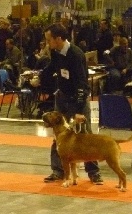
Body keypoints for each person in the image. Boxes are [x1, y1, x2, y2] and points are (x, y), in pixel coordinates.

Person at [41, 23, 103, 184]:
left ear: (59, 39)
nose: (48, 43)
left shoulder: (76, 54)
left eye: (49, 40)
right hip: (62, 98)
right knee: (58, 135)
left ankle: (94, 172)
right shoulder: (55, 52)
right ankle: (58, 170)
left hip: (78, 98)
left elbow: (82, 83)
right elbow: (51, 68)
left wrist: (79, 109)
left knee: (85, 136)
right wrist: (39, 78)